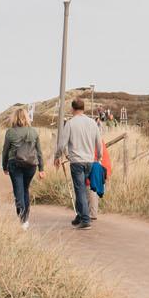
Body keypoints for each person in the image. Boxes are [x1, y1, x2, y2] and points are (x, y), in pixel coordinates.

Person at [54, 97, 103, 229]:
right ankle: (80, 216)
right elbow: (99, 141)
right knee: (82, 188)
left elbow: (62, 144)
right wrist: (99, 157)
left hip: (76, 161)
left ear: (72, 109)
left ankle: (85, 220)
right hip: (90, 161)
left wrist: (57, 156)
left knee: (80, 189)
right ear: (83, 108)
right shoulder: (92, 123)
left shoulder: (70, 123)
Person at [1, 104, 43, 229]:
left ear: (14, 118)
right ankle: (25, 218)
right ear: (26, 117)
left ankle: (22, 218)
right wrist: (41, 169)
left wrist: (4, 166)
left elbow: (5, 150)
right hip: (31, 165)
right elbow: (39, 152)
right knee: (25, 189)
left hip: (15, 164)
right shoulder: (34, 132)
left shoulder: (10, 132)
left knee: (18, 190)